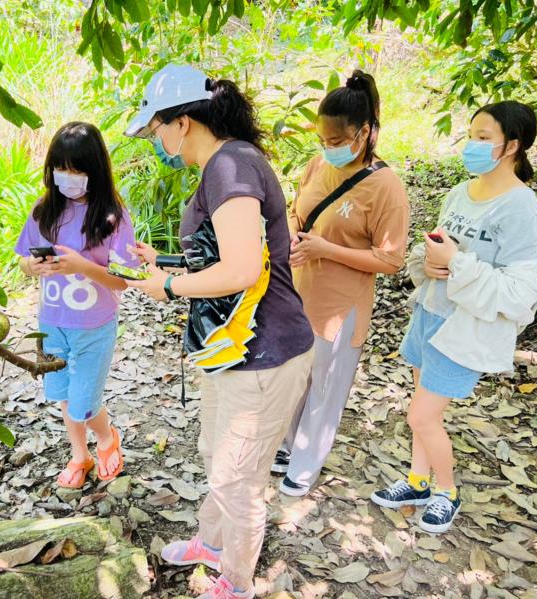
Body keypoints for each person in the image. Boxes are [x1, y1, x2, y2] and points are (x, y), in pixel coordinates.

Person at [123, 64, 315, 599]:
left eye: (155, 130)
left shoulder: (229, 166)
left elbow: (242, 269)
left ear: (182, 122)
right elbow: (223, 254)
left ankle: (237, 581)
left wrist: (168, 288)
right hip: (233, 347)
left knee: (238, 477)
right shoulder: (227, 164)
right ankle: (212, 543)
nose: (157, 142)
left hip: (264, 351)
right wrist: (164, 262)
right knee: (218, 454)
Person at [371, 100, 537, 533]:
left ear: (512, 146)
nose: (472, 145)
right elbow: (439, 247)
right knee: (422, 410)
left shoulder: (521, 207)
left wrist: (456, 263)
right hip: (430, 313)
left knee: (421, 416)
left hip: (465, 329)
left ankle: (446, 492)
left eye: (483, 138)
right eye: (471, 136)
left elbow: (521, 293)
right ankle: (418, 482)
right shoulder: (459, 193)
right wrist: (430, 262)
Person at [274, 70, 410, 497]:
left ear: (364, 132)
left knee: (325, 386)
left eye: (336, 140)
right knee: (294, 375)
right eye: (323, 140)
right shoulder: (319, 165)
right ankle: (287, 445)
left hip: (341, 305)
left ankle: (306, 464)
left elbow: (391, 259)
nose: (328, 148)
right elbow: (297, 212)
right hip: (299, 292)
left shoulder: (385, 187)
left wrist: (326, 249)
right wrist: (294, 236)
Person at [14, 122, 138, 489]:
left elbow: (125, 280)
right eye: (60, 168)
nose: (67, 177)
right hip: (52, 322)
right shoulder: (44, 210)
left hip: (94, 325)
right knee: (63, 394)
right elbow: (22, 261)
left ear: (94, 170)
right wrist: (32, 266)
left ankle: (107, 437)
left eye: (76, 169)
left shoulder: (112, 216)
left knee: (85, 400)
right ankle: (79, 454)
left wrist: (83, 266)